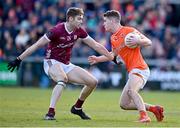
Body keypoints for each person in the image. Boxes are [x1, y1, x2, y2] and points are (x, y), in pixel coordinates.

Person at [7, 7, 113, 120]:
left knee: (93, 82)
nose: (81, 21)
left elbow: (96, 45)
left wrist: (110, 57)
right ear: (70, 18)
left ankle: (77, 108)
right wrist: (19, 59)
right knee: (62, 79)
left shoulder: (79, 30)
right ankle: (50, 113)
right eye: (79, 19)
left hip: (66, 64)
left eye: (82, 19)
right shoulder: (57, 30)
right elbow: (37, 45)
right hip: (51, 62)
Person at [88, 10, 164, 123]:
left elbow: (148, 42)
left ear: (113, 21)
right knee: (124, 104)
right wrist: (98, 59)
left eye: (105, 21)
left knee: (131, 91)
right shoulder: (113, 38)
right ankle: (154, 109)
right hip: (132, 70)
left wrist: (138, 40)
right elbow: (112, 55)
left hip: (140, 68)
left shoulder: (129, 31)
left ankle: (144, 117)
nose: (103, 24)